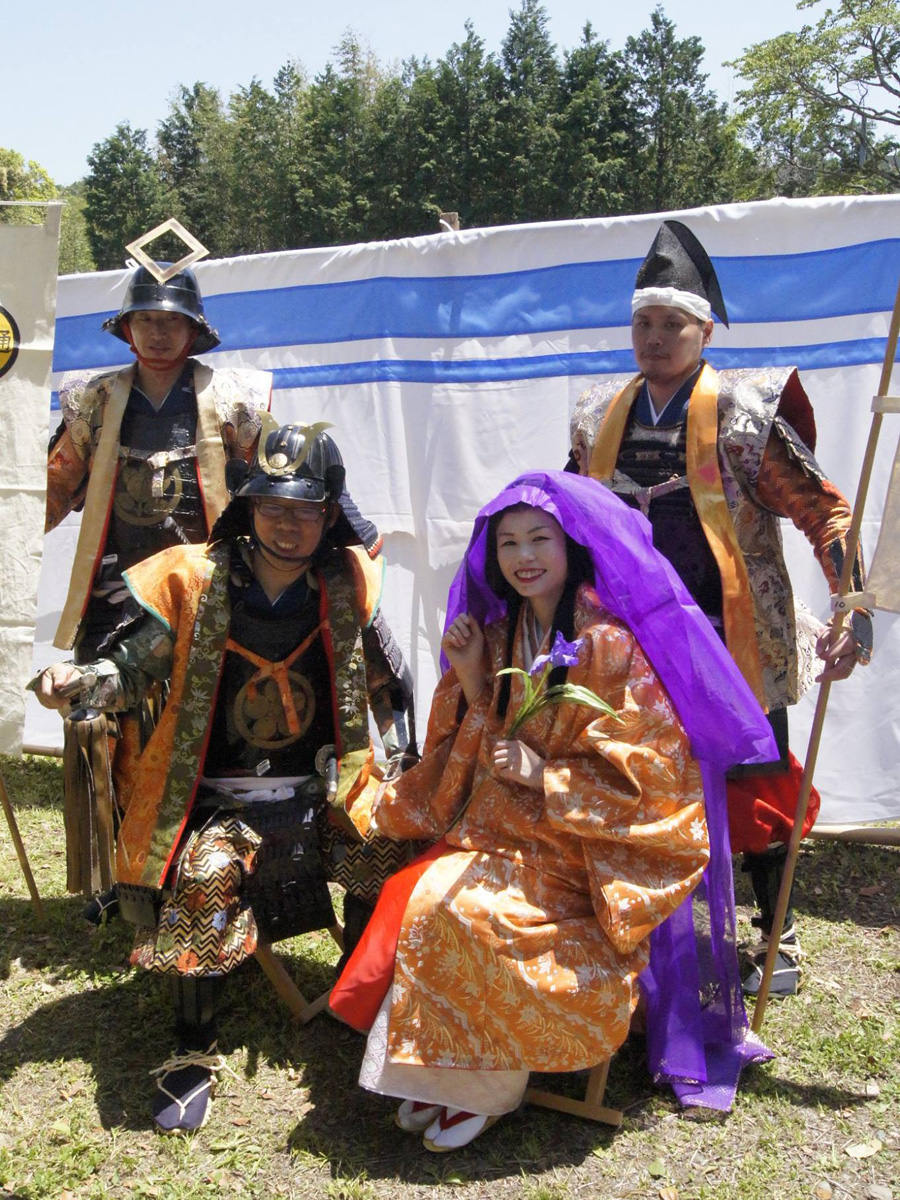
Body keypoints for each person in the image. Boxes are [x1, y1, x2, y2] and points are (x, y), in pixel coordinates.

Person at [330, 470, 775, 1152]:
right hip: (508, 834)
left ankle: (488, 1089)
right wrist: (477, 675)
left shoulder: (612, 644)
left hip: (581, 854)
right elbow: (484, 742)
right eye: (507, 543)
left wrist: (551, 777)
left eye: (540, 538)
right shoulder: (506, 632)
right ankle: (432, 1076)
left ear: (573, 546)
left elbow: (656, 774)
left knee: (469, 912)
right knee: (424, 896)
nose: (523, 556)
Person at [35, 420, 416, 1134]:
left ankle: (360, 1000)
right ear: (247, 508)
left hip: (320, 790)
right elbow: (129, 667)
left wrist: (401, 758)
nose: (289, 524)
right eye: (274, 507)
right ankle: (190, 1050)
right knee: (208, 876)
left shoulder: (347, 583)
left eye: (306, 510)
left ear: (330, 515)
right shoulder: (194, 577)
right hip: (218, 803)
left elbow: (391, 684)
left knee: (386, 850)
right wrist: (79, 681)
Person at [568, 220, 873, 997]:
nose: (655, 337)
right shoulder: (597, 411)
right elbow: (569, 514)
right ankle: (645, 923)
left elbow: (825, 512)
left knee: (757, 778)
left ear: (705, 330)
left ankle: (778, 934)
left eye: (673, 323)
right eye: (643, 322)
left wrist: (854, 606)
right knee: (633, 776)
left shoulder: (745, 411)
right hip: (630, 637)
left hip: (728, 634)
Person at [45, 260, 272, 911]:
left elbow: (274, 480)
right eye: (147, 319)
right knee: (97, 730)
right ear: (127, 328)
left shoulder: (232, 398)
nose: (159, 333)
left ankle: (193, 865)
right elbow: (57, 484)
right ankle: (104, 879)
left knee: (203, 730)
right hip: (114, 593)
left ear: (193, 330)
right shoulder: (95, 399)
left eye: (172, 322)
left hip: (202, 593)